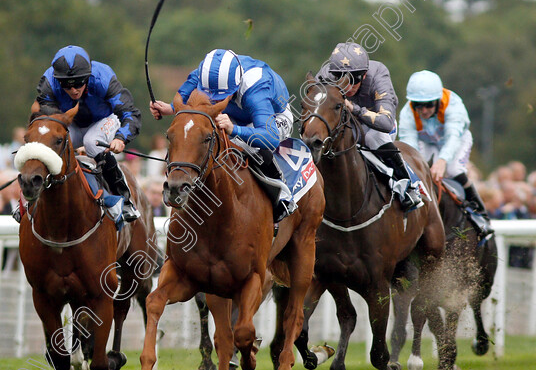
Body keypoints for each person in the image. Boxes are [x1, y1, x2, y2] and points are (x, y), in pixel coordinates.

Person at [150, 48, 296, 222]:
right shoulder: (205, 74)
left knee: (250, 144)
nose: (214, 100)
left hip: (272, 119)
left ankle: (283, 196)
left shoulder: (256, 88)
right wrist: (169, 108)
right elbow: (181, 100)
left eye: (220, 96)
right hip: (234, 113)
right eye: (211, 95)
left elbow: (270, 137)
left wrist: (235, 130)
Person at [36, 45, 142, 221]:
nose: (73, 90)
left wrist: (121, 138)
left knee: (92, 141)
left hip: (105, 120)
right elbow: (48, 118)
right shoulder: (49, 81)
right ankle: (31, 201)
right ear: (58, 80)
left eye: (78, 83)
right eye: (66, 85)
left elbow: (130, 113)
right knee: (50, 142)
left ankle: (125, 199)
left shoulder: (103, 77)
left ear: (88, 76)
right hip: (72, 122)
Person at [316, 41, 422, 210]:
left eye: (354, 80)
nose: (348, 87)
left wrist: (355, 109)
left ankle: (409, 185)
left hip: (374, 126)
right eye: (340, 79)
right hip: (343, 124)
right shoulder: (325, 76)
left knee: (374, 137)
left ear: (364, 75)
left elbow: (386, 123)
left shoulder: (378, 75)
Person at [398, 69, 492, 236]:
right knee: (419, 172)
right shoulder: (407, 113)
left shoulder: (453, 105)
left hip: (457, 140)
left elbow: (453, 138)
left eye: (428, 105)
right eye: (418, 105)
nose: (424, 110)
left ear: (438, 101)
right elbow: (409, 147)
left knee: (453, 169)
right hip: (428, 142)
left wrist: (442, 161)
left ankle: (480, 214)